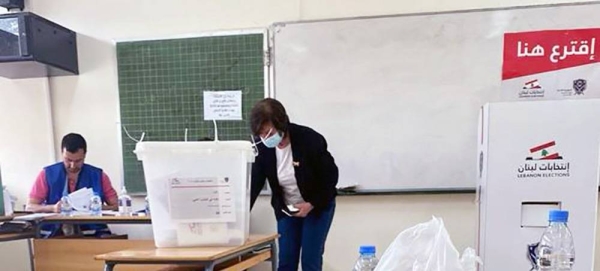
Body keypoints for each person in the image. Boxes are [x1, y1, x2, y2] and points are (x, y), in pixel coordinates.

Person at [249, 98, 338, 271]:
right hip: (287, 207)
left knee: (310, 260)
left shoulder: (309, 139)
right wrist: (239, 217)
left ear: (282, 123)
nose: (265, 138)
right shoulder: (262, 148)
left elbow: (330, 178)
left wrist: (312, 204)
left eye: (269, 132)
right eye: (261, 134)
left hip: (317, 205)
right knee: (286, 261)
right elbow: (254, 185)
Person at [27, 133, 118, 237]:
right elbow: (30, 207)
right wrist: (52, 208)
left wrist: (96, 208)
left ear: (85, 155)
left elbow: (116, 206)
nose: (72, 165)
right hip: (55, 235)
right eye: (68, 160)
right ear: (62, 153)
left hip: (93, 234)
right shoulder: (47, 174)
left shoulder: (98, 175)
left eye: (78, 161)